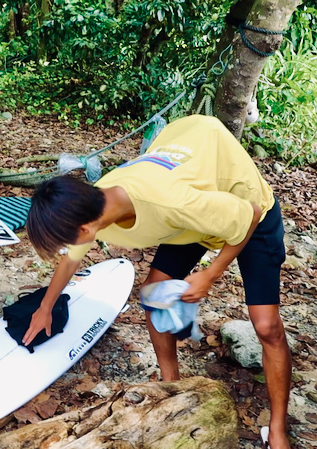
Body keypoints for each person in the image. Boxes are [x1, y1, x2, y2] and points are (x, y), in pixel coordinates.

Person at [25, 114, 292, 449]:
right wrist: (45, 307)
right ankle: (172, 387)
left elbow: (248, 215)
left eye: (67, 239)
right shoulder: (90, 207)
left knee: (266, 326)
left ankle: (279, 428)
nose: (71, 246)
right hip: (193, 219)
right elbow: (71, 258)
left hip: (249, 209)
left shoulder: (167, 200)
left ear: (84, 229)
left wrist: (209, 275)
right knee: (154, 295)